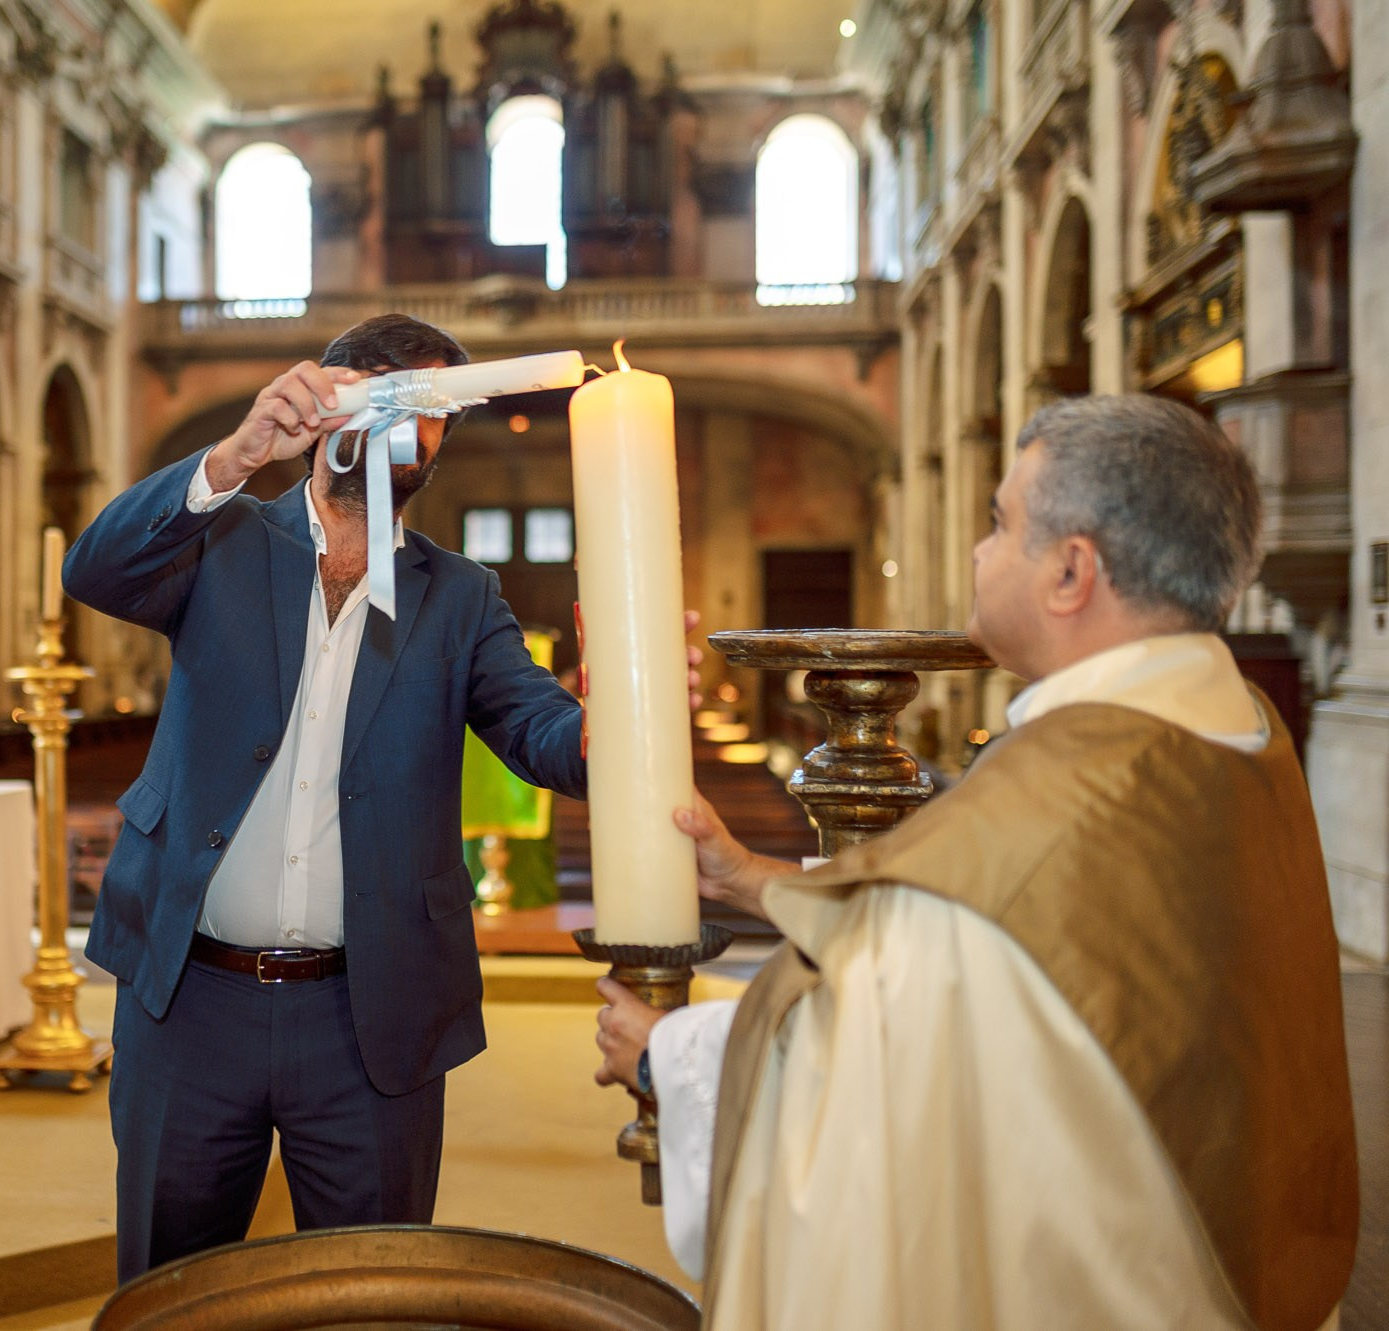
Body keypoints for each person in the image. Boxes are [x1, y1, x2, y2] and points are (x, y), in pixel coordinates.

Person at [595, 393, 1357, 1330]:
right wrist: (753, 876)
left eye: (1000, 524)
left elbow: (861, 1087)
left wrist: (663, 1053)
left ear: (1073, 571)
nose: (978, 552)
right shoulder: (1227, 723)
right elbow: (1052, 949)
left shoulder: (1047, 814)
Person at [68, 314, 696, 1279]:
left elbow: (540, 735)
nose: (409, 427)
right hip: (188, 999)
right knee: (165, 1285)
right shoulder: (226, 541)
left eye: (432, 409)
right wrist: (237, 453)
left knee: (371, 1290)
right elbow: (97, 570)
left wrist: (620, 724)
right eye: (383, 395)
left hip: (368, 1016)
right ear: (325, 405)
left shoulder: (461, 597)